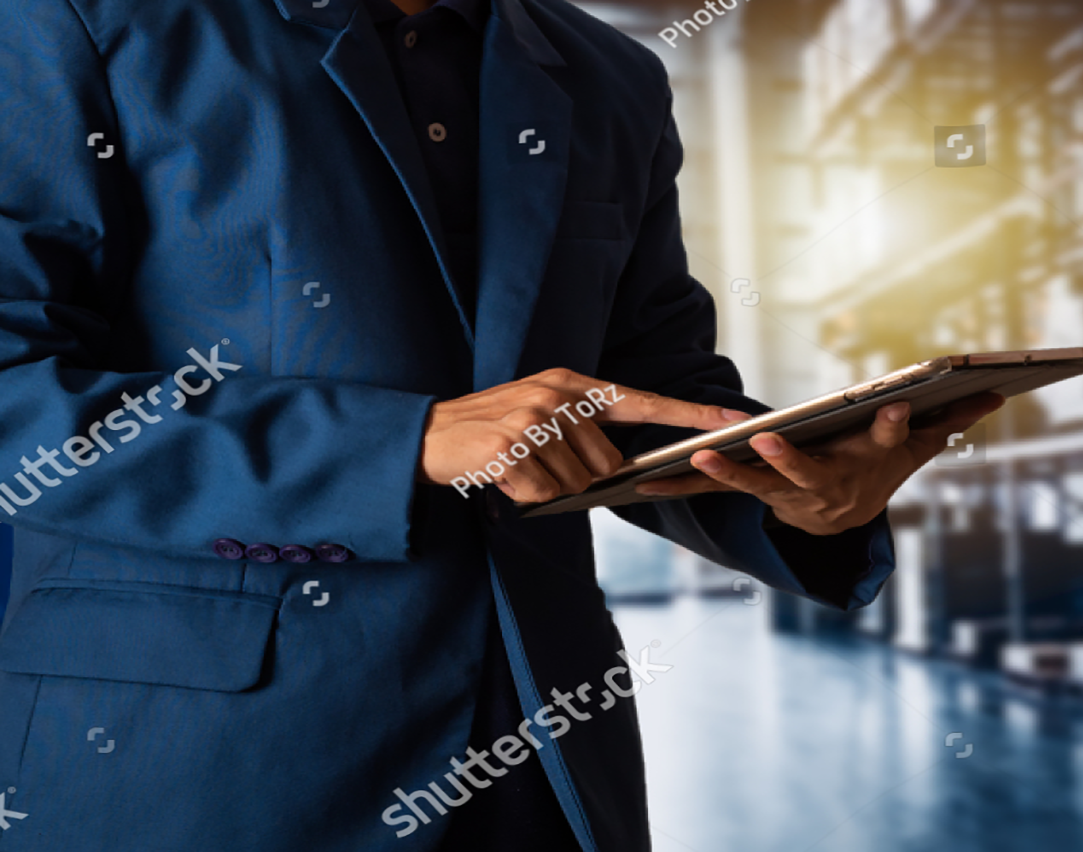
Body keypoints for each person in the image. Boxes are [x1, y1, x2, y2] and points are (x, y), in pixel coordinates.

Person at [0, 0, 1000, 849]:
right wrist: (404, 443)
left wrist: (800, 497)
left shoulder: (611, 77)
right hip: (201, 761)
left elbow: (645, 388)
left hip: (540, 745)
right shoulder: (80, 22)